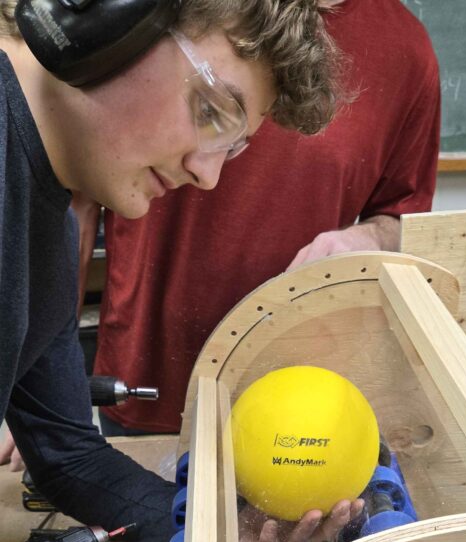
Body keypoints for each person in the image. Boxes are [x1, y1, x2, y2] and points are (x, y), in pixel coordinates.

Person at [0, 0, 345, 542]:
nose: (207, 175)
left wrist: (222, 530)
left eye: (233, 145)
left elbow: (68, 455)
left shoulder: (48, 230)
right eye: (213, 111)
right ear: (97, 18)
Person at [79, 0, 440, 439]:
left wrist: (369, 238)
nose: (207, 175)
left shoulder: (406, 49)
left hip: (291, 398)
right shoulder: (177, 8)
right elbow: (76, 190)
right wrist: (42, 378)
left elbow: (406, 221)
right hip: (141, 376)